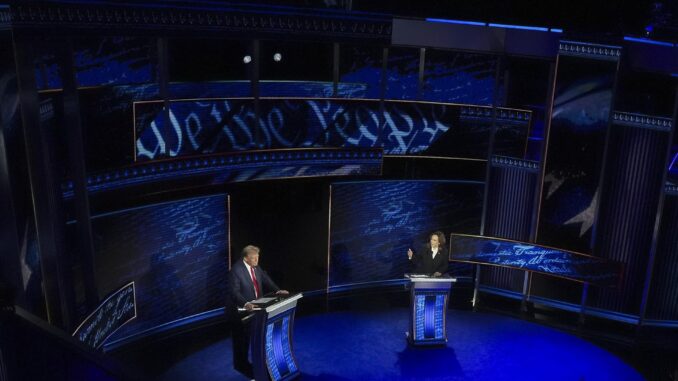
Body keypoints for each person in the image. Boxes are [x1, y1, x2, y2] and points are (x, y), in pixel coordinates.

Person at [226, 245, 288, 379]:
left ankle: (258, 366)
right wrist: (246, 303)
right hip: (239, 312)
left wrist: (277, 290)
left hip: (256, 310)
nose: (256, 260)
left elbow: (266, 280)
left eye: (257, 257)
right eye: (253, 258)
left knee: (255, 337)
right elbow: (234, 292)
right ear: (245, 258)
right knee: (241, 342)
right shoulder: (236, 271)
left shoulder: (256, 267)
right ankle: (241, 366)